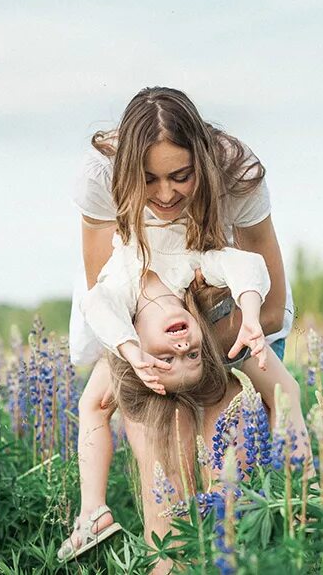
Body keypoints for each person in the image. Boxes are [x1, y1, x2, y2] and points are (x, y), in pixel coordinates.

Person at [64, 85, 309, 560]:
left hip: (229, 314)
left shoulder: (236, 179)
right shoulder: (115, 236)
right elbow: (103, 298)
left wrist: (204, 343)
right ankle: (154, 549)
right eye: (148, 180)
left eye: (181, 176)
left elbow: (268, 303)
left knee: (227, 463)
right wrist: (141, 353)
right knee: (161, 457)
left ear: (203, 161)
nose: (164, 194)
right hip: (136, 322)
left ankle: (266, 532)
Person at [59, 222, 272, 562]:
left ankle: (92, 511)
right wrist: (250, 314)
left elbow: (96, 304)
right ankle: (206, 548)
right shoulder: (192, 269)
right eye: (192, 354)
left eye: (168, 357)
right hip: (200, 310)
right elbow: (247, 265)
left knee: (93, 405)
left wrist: (131, 351)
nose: (183, 345)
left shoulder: (119, 295)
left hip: (118, 333)